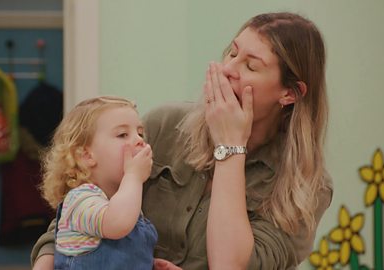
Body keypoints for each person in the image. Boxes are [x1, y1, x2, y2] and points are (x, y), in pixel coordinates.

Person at [32, 12, 333, 269]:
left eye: (251, 66)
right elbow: (74, 217)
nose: (228, 69)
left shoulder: (306, 188)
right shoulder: (163, 126)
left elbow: (231, 265)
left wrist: (230, 148)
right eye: (232, 52)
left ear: (290, 94)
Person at [39, 96, 157, 269]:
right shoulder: (80, 200)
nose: (140, 140)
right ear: (86, 155)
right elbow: (117, 224)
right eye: (123, 134)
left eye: (140, 133)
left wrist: (148, 263)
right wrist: (133, 176)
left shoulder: (125, 201)